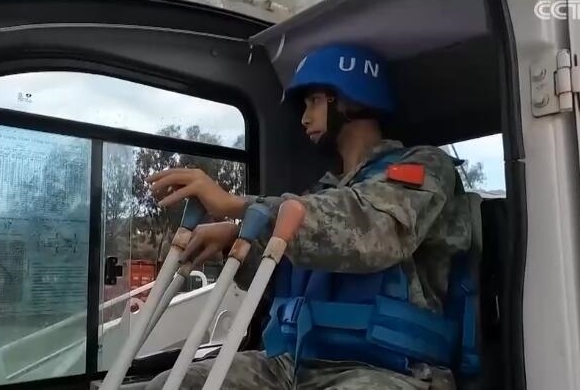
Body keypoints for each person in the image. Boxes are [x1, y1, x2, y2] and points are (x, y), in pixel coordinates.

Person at [144, 43, 474, 390]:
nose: (304, 117)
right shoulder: (321, 192)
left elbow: (371, 230)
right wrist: (234, 242)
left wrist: (237, 204)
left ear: (352, 99)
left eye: (314, 101)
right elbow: (284, 278)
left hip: (392, 369)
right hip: (299, 361)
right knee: (176, 383)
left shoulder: (425, 166)